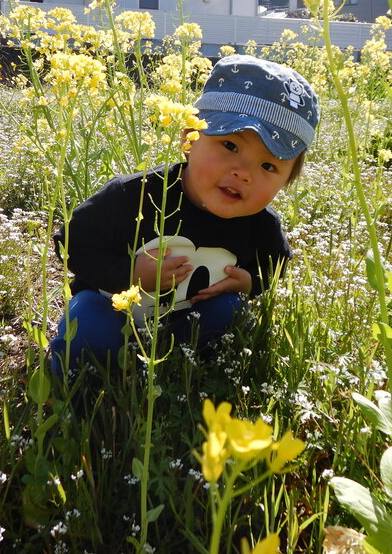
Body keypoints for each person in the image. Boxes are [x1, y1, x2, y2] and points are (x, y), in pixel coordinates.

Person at [50, 54, 319, 376]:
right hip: (111, 307)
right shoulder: (133, 195)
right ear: (189, 138)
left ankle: (184, 376)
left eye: (268, 166)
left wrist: (249, 282)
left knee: (231, 314)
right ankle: (80, 391)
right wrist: (131, 274)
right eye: (230, 146)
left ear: (285, 181)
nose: (243, 173)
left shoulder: (261, 225)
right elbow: (72, 243)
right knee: (89, 327)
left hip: (188, 316)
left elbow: (274, 267)